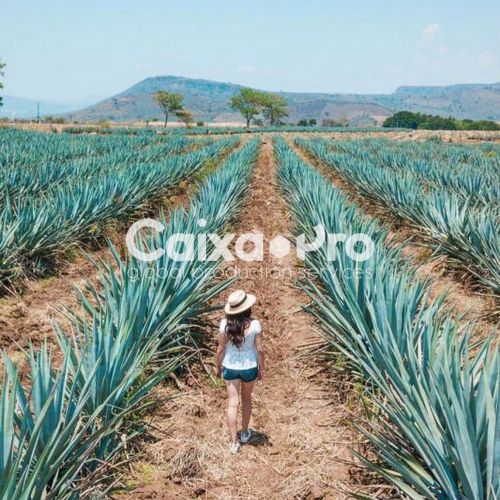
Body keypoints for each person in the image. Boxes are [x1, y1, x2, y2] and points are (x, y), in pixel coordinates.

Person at [216, 290, 265, 453]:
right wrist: (261, 368)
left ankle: (233, 442)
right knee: (246, 399)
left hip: (230, 366)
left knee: (232, 403)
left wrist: (218, 366)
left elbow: (220, 349)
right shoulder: (255, 325)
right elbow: (260, 349)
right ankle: (244, 433)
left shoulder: (224, 325)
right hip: (250, 366)